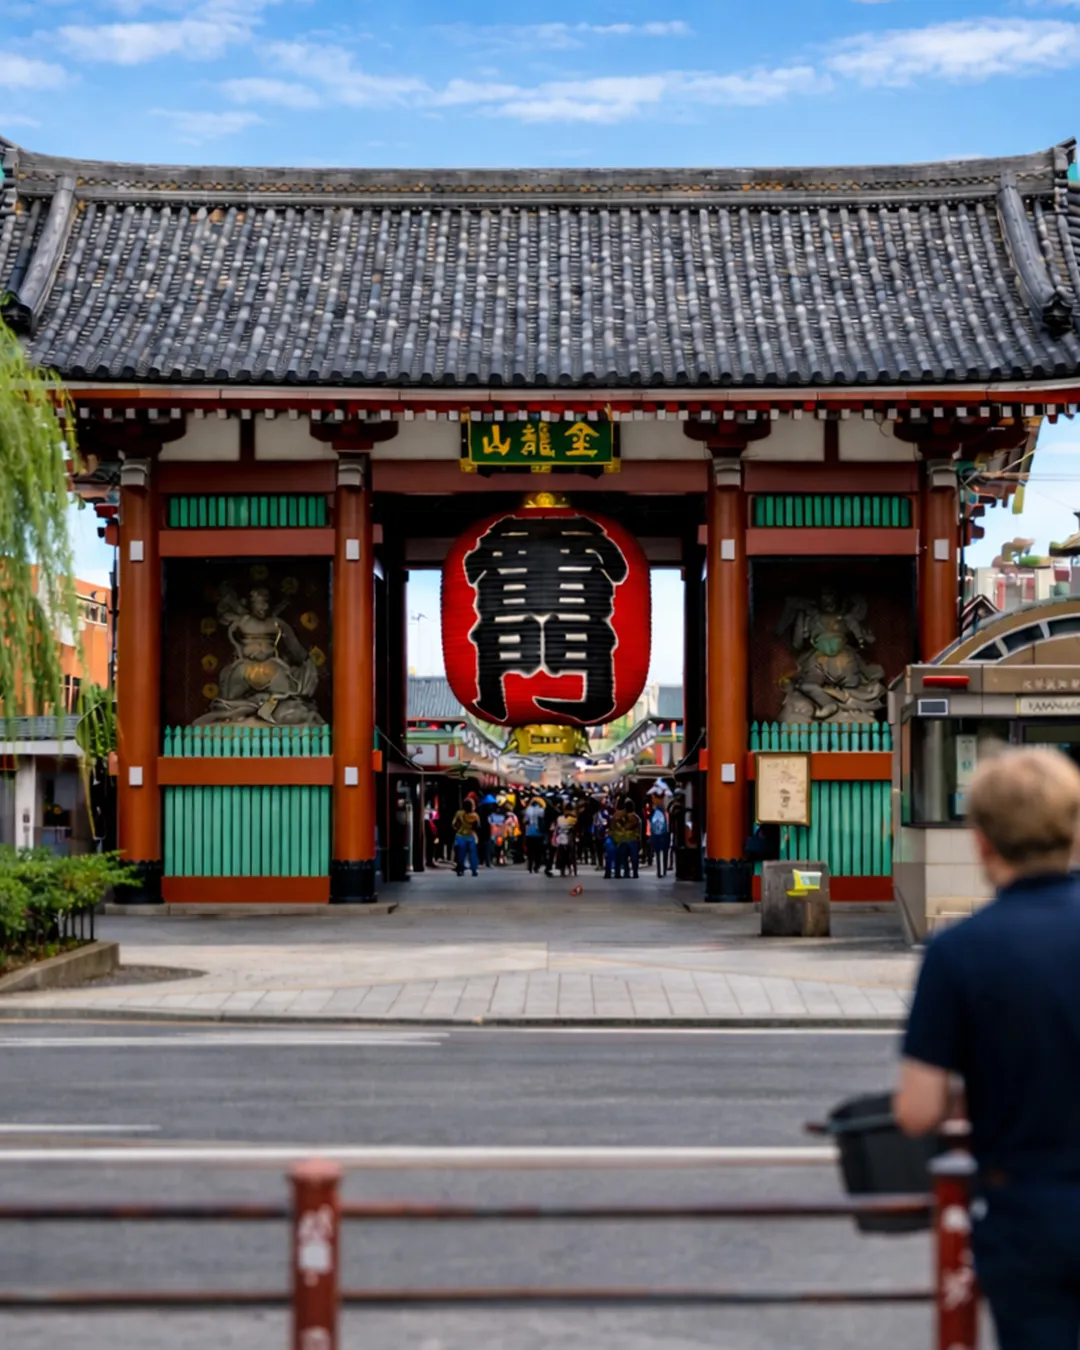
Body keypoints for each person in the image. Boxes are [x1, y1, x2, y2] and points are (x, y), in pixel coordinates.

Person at [894, 748, 1080, 1350]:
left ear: (981, 843)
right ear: (1075, 830)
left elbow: (918, 1110)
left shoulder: (960, 952)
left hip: (1028, 1212)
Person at [451, 796, 480, 877]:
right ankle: (474, 870)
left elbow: (453, 824)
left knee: (461, 854)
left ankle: (460, 870)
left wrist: (458, 828)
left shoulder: (459, 813)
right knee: (473, 854)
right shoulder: (475, 816)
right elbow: (477, 827)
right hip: (471, 836)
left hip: (460, 836)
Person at [523, 797, 546, 874]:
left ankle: (529, 866)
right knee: (538, 851)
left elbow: (525, 820)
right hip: (539, 833)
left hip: (529, 832)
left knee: (530, 851)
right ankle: (536, 866)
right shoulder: (541, 810)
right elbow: (543, 819)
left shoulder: (528, 809)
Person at [650, 800, 670, 878]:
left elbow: (652, 825)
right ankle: (663, 870)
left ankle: (659, 871)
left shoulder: (655, 813)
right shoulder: (663, 814)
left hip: (656, 836)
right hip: (663, 835)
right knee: (664, 853)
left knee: (658, 854)